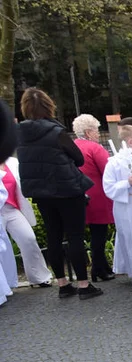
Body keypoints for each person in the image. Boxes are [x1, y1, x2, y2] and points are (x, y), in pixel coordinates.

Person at [16, 88, 101, 299]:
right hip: (67, 189)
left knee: (53, 236)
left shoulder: (20, 134)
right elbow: (78, 158)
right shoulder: (56, 132)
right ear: (48, 106)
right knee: (74, 236)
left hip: (41, 193)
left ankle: (63, 284)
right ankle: (83, 284)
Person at [103, 124, 132, 292]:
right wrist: (126, 183)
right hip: (126, 205)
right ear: (130, 142)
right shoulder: (114, 163)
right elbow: (108, 187)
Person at [70, 114, 115, 283]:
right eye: (96, 130)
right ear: (89, 132)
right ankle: (99, 267)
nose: (98, 133)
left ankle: (99, 267)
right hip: (97, 195)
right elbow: (108, 170)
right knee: (99, 234)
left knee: (88, 234)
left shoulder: (73, 146)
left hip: (80, 194)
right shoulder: (95, 148)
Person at [1, 157, 51, 287]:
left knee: (28, 238)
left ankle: (39, 277)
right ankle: (5, 284)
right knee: (2, 249)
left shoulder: (12, 162)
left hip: (12, 209)